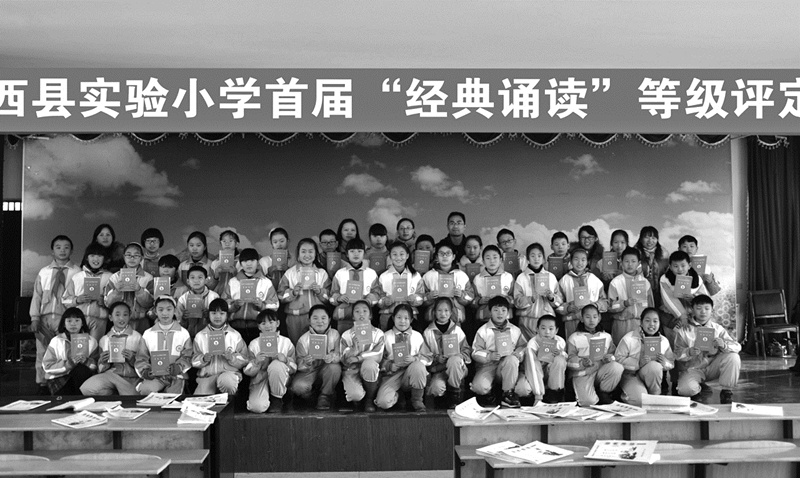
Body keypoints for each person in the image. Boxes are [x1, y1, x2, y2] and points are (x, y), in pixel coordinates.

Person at [30, 235, 82, 392]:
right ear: (52, 251)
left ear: (71, 251)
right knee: (42, 351)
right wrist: (34, 317)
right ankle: (42, 383)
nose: (62, 250)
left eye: (66, 247)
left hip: (65, 320)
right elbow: (37, 296)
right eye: (58, 247)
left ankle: (61, 384)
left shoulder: (77, 272)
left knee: (63, 352)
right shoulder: (44, 272)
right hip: (45, 319)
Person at [674, 295, 740, 404]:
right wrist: (689, 352)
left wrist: (723, 345)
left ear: (712, 311)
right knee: (685, 390)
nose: (703, 312)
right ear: (692, 310)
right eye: (699, 308)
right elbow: (676, 354)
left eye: (707, 308)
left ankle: (726, 391)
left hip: (713, 367)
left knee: (733, 357)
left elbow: (737, 346)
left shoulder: (718, 329)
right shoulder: (684, 330)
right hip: (694, 369)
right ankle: (697, 389)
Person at [470, 296, 526, 408]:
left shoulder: (515, 330)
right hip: (488, 365)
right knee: (479, 387)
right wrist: (489, 356)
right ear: (490, 312)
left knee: (512, 359)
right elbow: (475, 351)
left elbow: (523, 347)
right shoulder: (483, 331)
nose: (500, 313)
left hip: (507, 364)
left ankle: (508, 394)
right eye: (496, 310)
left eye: (503, 310)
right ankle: (489, 396)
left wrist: (518, 354)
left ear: (508, 312)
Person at [376, 304, 432, 412]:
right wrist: (389, 365)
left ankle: (417, 400)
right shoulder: (386, 336)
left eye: (406, 318)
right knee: (383, 402)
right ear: (393, 318)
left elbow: (428, 357)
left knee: (418, 366)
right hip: (392, 375)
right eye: (399, 317)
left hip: (411, 373)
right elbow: (379, 359)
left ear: (411, 320)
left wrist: (415, 359)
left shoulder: (417, 336)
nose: (402, 321)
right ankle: (398, 396)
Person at [614, 308, 674, 406]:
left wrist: (665, 363)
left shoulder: (663, 341)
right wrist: (638, 363)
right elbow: (618, 359)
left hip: (650, 376)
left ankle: (655, 396)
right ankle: (624, 393)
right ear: (641, 323)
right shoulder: (629, 338)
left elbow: (671, 363)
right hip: (630, 375)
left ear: (659, 323)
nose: (651, 324)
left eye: (655, 321)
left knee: (655, 366)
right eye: (647, 321)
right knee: (640, 401)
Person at [80, 301, 142, 396]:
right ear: (110, 317)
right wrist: (103, 361)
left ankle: (118, 391)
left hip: (132, 378)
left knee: (132, 396)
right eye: (117, 315)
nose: (121, 318)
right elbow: (100, 369)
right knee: (86, 389)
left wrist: (132, 359)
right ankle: (117, 391)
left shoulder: (137, 337)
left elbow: (144, 364)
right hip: (111, 376)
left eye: (125, 315)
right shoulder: (104, 339)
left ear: (130, 316)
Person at [567, 304, 624, 406]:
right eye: (587, 317)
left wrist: (610, 358)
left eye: (594, 317)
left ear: (599, 318)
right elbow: (569, 360)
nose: (591, 320)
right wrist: (582, 363)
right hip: (584, 373)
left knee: (617, 367)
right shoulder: (574, 337)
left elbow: (613, 354)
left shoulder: (606, 336)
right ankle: (583, 392)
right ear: (582, 318)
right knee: (588, 402)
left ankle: (603, 393)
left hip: (600, 371)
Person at [277, 238, 331, 344]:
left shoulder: (321, 273)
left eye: (310, 251)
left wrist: (320, 292)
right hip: (295, 318)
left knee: (318, 347)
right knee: (297, 345)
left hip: (318, 318)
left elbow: (330, 296)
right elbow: (280, 295)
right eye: (303, 251)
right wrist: (293, 293)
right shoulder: (290, 273)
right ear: (298, 254)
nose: (307, 255)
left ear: (316, 254)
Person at [135, 295, 192, 395]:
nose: (165, 313)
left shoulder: (183, 333)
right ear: (155, 311)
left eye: (169, 309)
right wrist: (146, 371)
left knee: (173, 397)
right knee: (145, 390)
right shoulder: (148, 334)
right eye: (160, 310)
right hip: (156, 376)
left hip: (177, 376)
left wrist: (178, 367)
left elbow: (188, 355)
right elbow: (141, 357)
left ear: (174, 311)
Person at [191, 298, 248, 396]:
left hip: (228, 374)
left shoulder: (234, 335)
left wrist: (232, 358)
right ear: (208, 314)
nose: (217, 316)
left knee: (227, 382)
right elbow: (193, 361)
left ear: (227, 315)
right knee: (200, 400)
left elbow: (245, 359)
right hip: (207, 377)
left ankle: (229, 400)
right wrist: (203, 359)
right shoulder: (200, 336)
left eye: (222, 313)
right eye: (213, 313)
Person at [290, 305, 342, 410]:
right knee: (298, 387)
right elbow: (298, 364)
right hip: (309, 371)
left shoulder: (335, 334)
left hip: (327, 369)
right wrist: (306, 362)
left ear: (329, 319)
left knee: (334, 367)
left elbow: (339, 355)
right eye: (315, 318)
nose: (319, 321)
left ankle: (325, 395)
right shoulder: (303, 340)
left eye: (323, 318)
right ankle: (311, 396)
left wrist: (332, 357)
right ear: (309, 320)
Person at [244, 310, 296, 413]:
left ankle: (277, 398)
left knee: (276, 365)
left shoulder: (286, 342)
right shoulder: (254, 344)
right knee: (257, 407)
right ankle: (266, 398)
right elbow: (247, 371)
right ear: (259, 326)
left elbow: (294, 368)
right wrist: (256, 362)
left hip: (281, 378)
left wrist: (285, 360)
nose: (268, 326)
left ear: (278, 323)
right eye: (263, 323)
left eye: (271, 322)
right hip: (260, 379)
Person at [224, 248, 279, 344]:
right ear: (240, 264)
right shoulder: (233, 282)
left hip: (258, 327)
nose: (249, 264)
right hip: (235, 326)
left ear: (257, 262)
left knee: (256, 351)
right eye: (245, 261)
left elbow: (275, 304)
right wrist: (234, 305)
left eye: (252, 260)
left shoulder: (265, 282)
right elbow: (223, 303)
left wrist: (262, 305)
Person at [423, 297, 471, 408]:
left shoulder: (457, 330)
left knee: (454, 361)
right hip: (439, 369)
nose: (443, 314)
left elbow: (466, 350)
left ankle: (455, 395)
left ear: (451, 313)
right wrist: (436, 358)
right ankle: (442, 400)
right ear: (434, 312)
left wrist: (459, 356)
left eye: (446, 311)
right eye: (439, 310)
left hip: (457, 368)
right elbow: (424, 355)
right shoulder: (428, 332)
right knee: (436, 388)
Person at [339, 300, 385, 412]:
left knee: (370, 365)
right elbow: (344, 359)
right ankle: (359, 399)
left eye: (365, 311)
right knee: (355, 395)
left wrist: (358, 358)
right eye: (357, 311)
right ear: (353, 316)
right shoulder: (346, 335)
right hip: (352, 369)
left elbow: (378, 354)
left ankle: (369, 399)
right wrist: (353, 350)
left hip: (369, 368)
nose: (361, 314)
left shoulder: (378, 333)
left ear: (370, 315)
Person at [42, 307, 98, 395]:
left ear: (82, 323)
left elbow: (96, 366)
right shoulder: (56, 341)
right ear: (64, 324)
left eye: (77, 320)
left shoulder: (91, 341)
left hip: (82, 377)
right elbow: (47, 366)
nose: (73, 324)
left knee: (81, 370)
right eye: (69, 321)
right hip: (59, 378)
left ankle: (80, 399)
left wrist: (87, 361)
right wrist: (68, 364)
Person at [63, 242, 112, 342]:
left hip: (100, 320)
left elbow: (117, 301)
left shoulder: (110, 277)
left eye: (99, 256)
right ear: (86, 258)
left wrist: (104, 301)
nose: (96, 259)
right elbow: (64, 300)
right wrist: (77, 300)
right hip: (79, 320)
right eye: (92, 255)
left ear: (104, 258)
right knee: (79, 348)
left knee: (95, 347)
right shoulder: (77, 277)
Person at [514, 243, 563, 341]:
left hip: (547, 322)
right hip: (527, 321)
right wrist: (530, 299)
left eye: (539, 256)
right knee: (528, 347)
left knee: (546, 348)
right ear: (527, 259)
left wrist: (552, 298)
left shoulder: (551, 277)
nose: (536, 259)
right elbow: (517, 302)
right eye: (532, 256)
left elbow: (560, 301)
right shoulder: (521, 278)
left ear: (544, 259)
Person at [330, 238, 380, 333]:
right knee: (345, 339)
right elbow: (333, 294)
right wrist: (339, 298)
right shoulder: (340, 273)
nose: (356, 254)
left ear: (364, 253)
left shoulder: (371, 273)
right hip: (344, 316)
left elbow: (377, 293)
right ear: (347, 254)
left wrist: (368, 300)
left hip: (364, 317)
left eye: (359, 251)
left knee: (363, 340)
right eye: (352, 251)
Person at [557, 248, 608, 339]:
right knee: (574, 343)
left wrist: (596, 305)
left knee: (591, 344)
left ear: (587, 262)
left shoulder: (594, 280)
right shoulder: (564, 281)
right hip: (572, 322)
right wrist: (567, 308)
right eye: (576, 259)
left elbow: (605, 302)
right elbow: (557, 304)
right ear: (570, 261)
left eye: (583, 260)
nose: (580, 263)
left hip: (592, 322)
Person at [608, 247, 655, 345]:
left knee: (640, 350)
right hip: (621, 323)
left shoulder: (645, 282)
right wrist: (624, 303)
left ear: (638, 263)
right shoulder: (616, 282)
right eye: (626, 261)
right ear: (621, 263)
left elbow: (651, 306)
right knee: (621, 350)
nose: (630, 264)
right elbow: (610, 306)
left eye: (633, 261)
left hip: (641, 324)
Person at [659, 251, 709, 343]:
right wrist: (682, 316)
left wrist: (693, 299)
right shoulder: (665, 279)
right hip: (673, 316)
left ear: (689, 265)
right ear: (670, 267)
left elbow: (705, 300)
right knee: (675, 342)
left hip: (693, 316)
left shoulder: (697, 279)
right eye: (675, 266)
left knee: (693, 342)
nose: (680, 269)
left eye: (683, 265)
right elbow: (669, 299)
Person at [104, 242, 154, 335]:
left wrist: (139, 290)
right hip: (120, 321)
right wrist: (117, 291)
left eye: (136, 255)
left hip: (142, 321)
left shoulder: (148, 278)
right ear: (124, 257)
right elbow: (108, 303)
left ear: (141, 258)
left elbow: (150, 303)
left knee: (141, 343)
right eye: (128, 255)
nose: (132, 258)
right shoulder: (115, 277)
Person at [517, 315, 568, 403]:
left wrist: (561, 353)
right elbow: (533, 369)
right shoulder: (532, 345)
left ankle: (554, 394)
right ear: (537, 329)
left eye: (551, 329)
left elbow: (566, 360)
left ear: (556, 330)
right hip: (531, 374)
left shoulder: (560, 341)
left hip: (548, 372)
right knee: (522, 389)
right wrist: (538, 395)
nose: (547, 332)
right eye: (543, 328)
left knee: (560, 360)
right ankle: (533, 398)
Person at [421, 242, 474, 326]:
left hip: (456, 319)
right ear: (436, 257)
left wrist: (462, 295)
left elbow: (470, 297)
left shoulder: (461, 275)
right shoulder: (428, 276)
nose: (445, 256)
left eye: (448, 253)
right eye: (441, 253)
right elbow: (420, 299)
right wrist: (429, 297)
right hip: (433, 319)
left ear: (453, 257)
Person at [376, 242, 424, 331]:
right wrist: (385, 301)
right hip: (388, 315)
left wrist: (414, 299)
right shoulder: (383, 276)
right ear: (390, 256)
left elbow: (421, 297)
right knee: (389, 338)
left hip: (409, 316)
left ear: (407, 256)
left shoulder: (415, 275)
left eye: (402, 254)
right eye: (394, 254)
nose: (398, 258)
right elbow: (378, 299)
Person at [472, 245, 514, 326]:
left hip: (505, 318)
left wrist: (505, 299)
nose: (492, 261)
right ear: (483, 261)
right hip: (484, 317)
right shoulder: (478, 279)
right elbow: (472, 300)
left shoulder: (508, 277)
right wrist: (479, 301)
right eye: (488, 258)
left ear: (501, 260)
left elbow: (515, 299)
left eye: (495, 257)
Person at [176, 265, 220, 339]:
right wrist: (184, 318)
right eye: (192, 277)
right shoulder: (183, 299)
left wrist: (210, 316)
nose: (196, 280)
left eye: (200, 277)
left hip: (209, 336)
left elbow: (220, 319)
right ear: (188, 281)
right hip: (189, 336)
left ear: (206, 280)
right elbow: (179, 324)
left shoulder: (214, 297)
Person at [635, 226, 669, 308]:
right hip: (640, 292)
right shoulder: (634, 254)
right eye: (646, 237)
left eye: (653, 238)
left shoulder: (664, 255)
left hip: (660, 293)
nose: (650, 241)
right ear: (641, 239)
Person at [210, 229, 241, 295]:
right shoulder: (215, 263)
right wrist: (215, 277)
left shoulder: (241, 262)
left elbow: (246, 284)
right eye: (224, 241)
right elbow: (209, 287)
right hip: (218, 297)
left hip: (235, 298)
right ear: (220, 244)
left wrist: (236, 275)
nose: (227, 244)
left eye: (230, 241)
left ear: (237, 244)